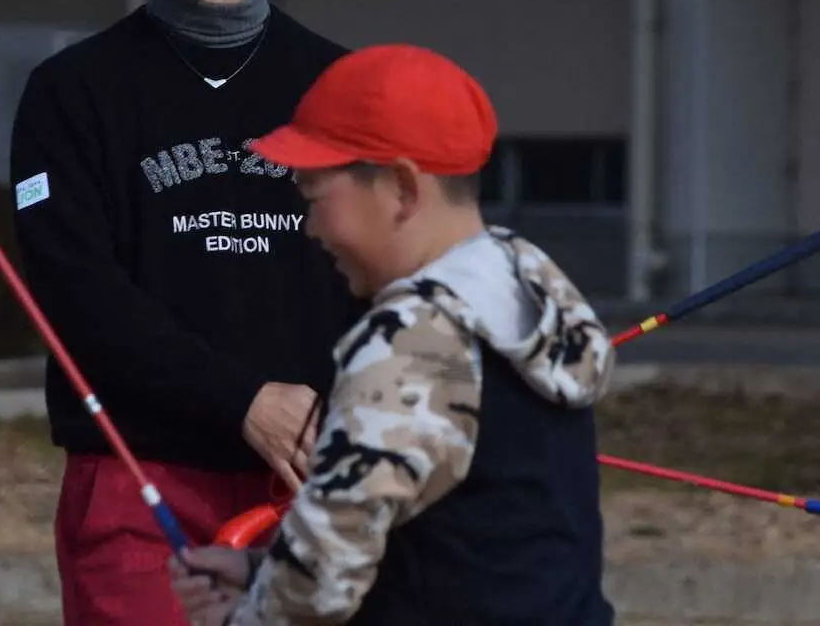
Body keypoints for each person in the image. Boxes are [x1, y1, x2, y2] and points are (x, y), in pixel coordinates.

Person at [8, 0, 363, 626]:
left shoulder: (342, 86)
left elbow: (389, 275)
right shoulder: (70, 92)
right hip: (137, 483)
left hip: (310, 482)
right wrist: (243, 400)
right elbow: (76, 294)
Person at [168, 44, 618, 625]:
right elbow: (463, 542)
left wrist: (241, 618)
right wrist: (262, 574)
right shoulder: (522, 290)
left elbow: (324, 578)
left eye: (314, 197)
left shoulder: (411, 342)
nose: (309, 228)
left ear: (403, 188)